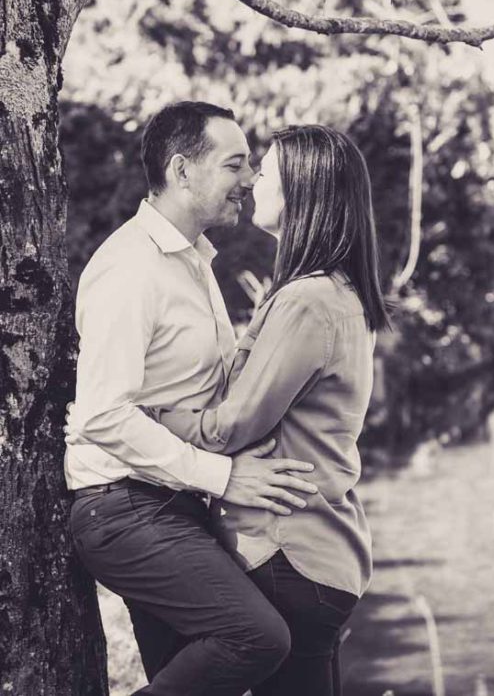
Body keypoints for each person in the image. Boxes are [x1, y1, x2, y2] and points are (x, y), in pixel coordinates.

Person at [65, 102, 319, 696]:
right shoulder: (130, 269)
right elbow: (104, 412)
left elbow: (203, 387)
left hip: (171, 503)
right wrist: (222, 476)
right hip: (124, 508)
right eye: (236, 164)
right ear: (182, 171)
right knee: (259, 638)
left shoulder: (194, 261)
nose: (252, 180)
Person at [151, 124, 391, 696]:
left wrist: (149, 418)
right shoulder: (336, 292)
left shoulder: (307, 301)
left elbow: (231, 426)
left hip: (290, 553)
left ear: (305, 192)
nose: (255, 180)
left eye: (269, 172)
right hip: (318, 556)